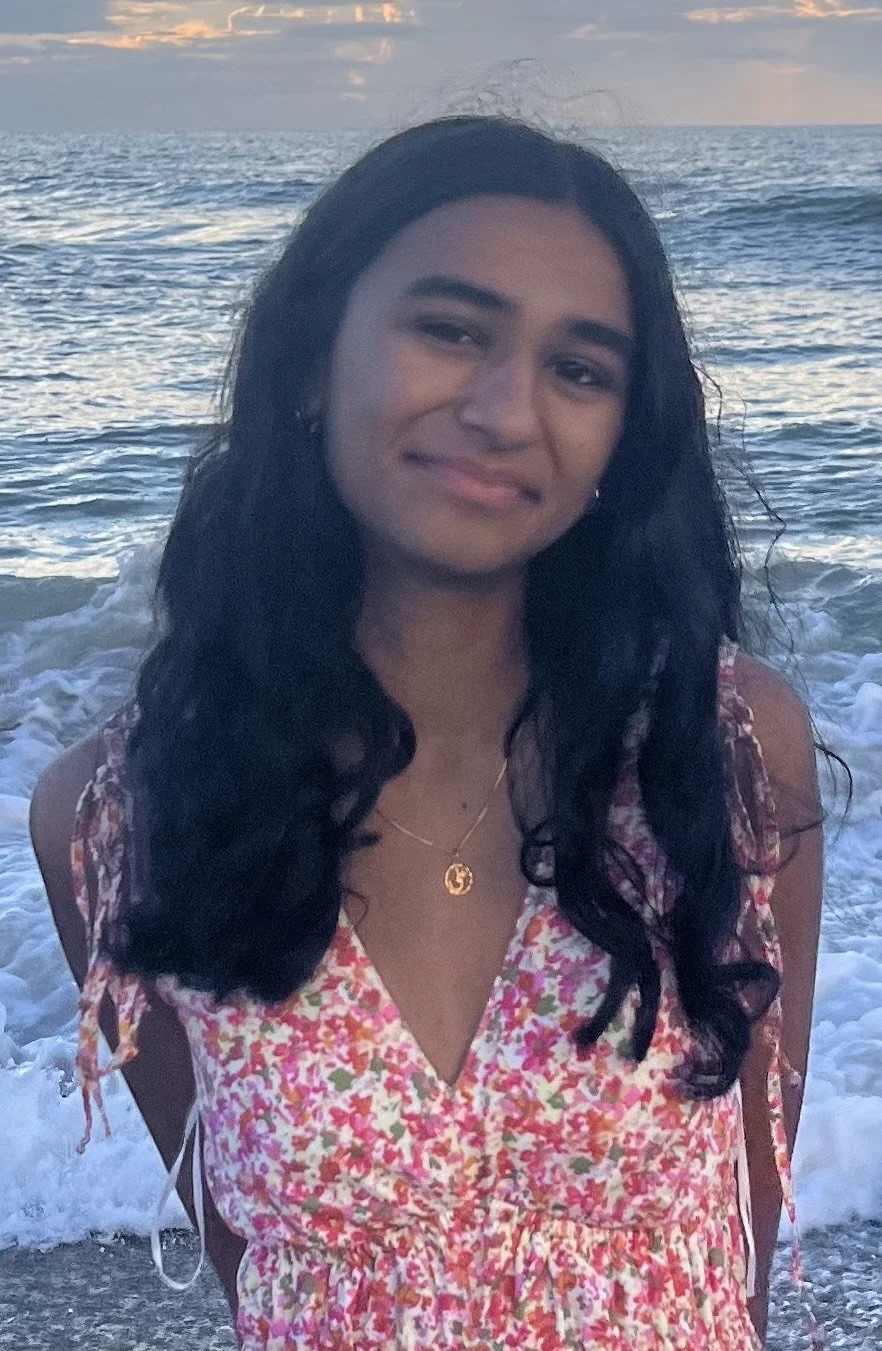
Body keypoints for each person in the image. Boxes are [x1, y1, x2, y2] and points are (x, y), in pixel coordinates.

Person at [29, 114, 834, 1350]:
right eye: (452, 331)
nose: (507, 410)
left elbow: (747, 1236)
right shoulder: (125, 814)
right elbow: (258, 1278)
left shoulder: (720, 747)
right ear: (312, 360)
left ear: (623, 438)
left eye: (580, 370)